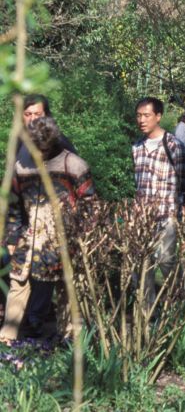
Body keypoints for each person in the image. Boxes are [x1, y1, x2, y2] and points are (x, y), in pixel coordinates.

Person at [1, 117, 95, 342]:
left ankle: (70, 341)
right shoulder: (22, 166)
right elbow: (13, 204)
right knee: (18, 285)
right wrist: (12, 236)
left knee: (67, 288)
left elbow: (91, 205)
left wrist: (84, 236)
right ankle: (6, 340)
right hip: (30, 236)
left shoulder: (73, 165)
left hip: (65, 238)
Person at [132, 97, 185, 308]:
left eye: (146, 115)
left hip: (166, 215)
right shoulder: (137, 147)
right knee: (142, 265)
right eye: (139, 115)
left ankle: (181, 306)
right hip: (142, 217)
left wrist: (179, 210)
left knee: (167, 261)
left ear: (158, 116)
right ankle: (147, 313)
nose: (142, 120)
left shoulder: (174, 146)